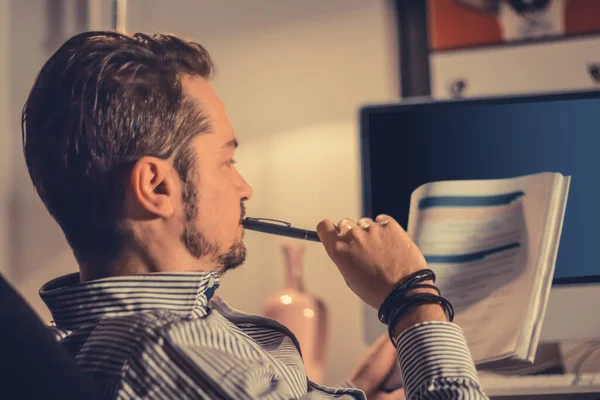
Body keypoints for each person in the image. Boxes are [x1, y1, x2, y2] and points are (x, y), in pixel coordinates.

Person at [22, 31, 488, 399]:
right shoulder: (167, 352)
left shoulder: (159, 343)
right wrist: (412, 298)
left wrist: (356, 391)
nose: (245, 187)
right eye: (227, 161)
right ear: (157, 187)